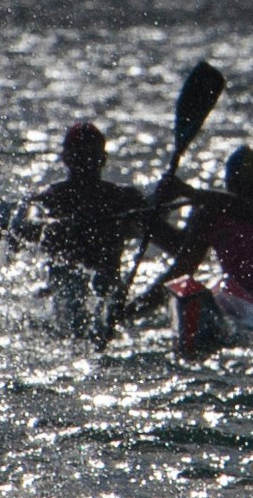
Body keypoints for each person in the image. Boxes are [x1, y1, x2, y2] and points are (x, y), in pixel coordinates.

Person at [33, 121, 190, 343]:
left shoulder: (48, 202)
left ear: (65, 159)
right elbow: (180, 249)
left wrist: (164, 204)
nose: (85, 164)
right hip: (102, 309)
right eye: (82, 156)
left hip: (84, 312)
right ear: (104, 160)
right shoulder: (119, 201)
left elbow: (177, 247)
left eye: (88, 156)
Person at [152, 145, 253, 350]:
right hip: (235, 305)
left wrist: (191, 193)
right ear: (228, 184)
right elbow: (181, 269)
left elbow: (252, 211)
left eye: (248, 183)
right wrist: (129, 311)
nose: (242, 191)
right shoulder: (211, 214)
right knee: (196, 286)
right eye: (236, 183)